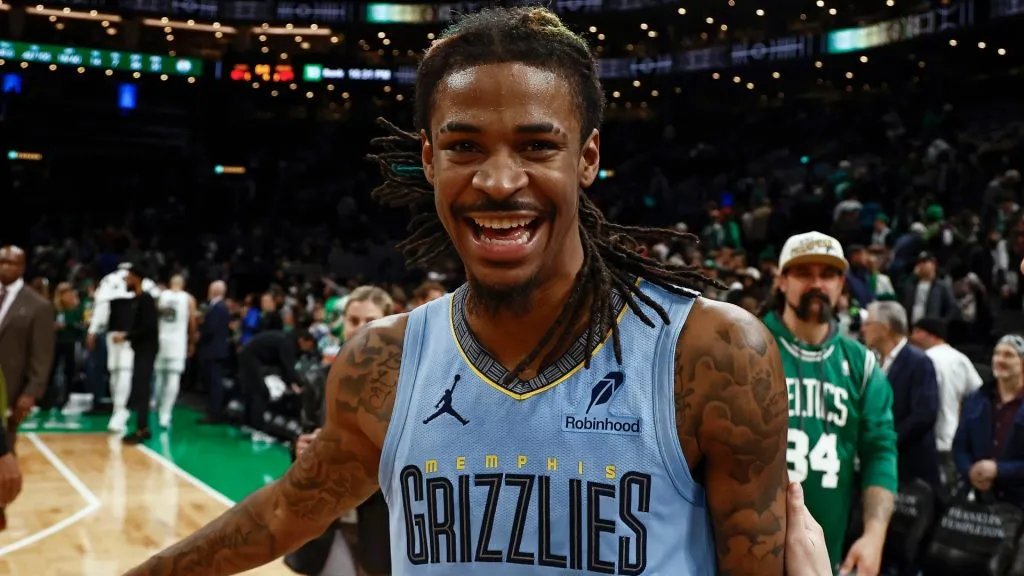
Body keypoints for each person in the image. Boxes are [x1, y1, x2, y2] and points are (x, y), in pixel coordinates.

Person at [123, 7, 790, 576]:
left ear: (586, 158)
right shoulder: (379, 364)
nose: (499, 181)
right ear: (429, 159)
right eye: (465, 146)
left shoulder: (711, 356)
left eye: (536, 146)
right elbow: (282, 513)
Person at [761, 231, 898, 575]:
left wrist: (874, 536)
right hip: (747, 546)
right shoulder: (750, 345)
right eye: (804, 273)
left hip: (825, 554)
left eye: (828, 275)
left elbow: (880, 452)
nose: (816, 284)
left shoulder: (863, 366)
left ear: (841, 285)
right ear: (781, 281)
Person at [861, 300, 940, 488]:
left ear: (884, 328)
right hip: (880, 464)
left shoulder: (919, 361)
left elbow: (925, 413)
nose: (863, 329)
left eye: (868, 324)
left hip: (910, 466)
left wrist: (887, 441)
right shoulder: (871, 361)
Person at [952, 334, 1024, 508]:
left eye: (1008, 355)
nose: (999, 359)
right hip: (979, 497)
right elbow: (960, 446)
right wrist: (970, 471)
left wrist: (998, 470)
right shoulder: (976, 398)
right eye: (996, 354)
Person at [87, 261, 159, 433]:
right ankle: (118, 410)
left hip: (127, 334)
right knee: (118, 371)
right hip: (121, 333)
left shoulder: (110, 281)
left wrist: (93, 330)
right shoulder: (146, 285)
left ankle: (121, 412)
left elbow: (102, 307)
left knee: (121, 371)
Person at [909, 317, 982, 485]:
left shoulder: (921, 359)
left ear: (929, 334)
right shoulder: (961, 358)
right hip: (953, 439)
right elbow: (977, 396)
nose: (912, 336)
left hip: (926, 442)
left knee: (923, 498)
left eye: (916, 331)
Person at [0, 245, 55, 449]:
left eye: (10, 263)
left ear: (22, 267)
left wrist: (31, 392)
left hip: (10, 389)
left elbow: (42, 354)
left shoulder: (38, 305)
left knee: (4, 453)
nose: (4, 267)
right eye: (1, 262)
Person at [113, 262, 160, 445]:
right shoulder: (139, 299)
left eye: (128, 276)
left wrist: (126, 336)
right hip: (142, 349)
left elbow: (148, 328)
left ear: (136, 278)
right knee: (140, 388)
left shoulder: (145, 299)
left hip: (146, 350)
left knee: (141, 388)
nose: (126, 279)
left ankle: (142, 429)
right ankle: (143, 427)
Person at [236, 329, 318, 431]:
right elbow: (288, 368)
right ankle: (256, 427)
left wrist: (291, 383)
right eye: (308, 346)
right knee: (260, 393)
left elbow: (283, 367)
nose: (307, 350)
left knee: (252, 391)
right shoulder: (287, 344)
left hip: (249, 356)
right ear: (302, 340)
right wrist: (301, 384)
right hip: (251, 358)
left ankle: (247, 422)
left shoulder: (286, 340)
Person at [154, 275, 196, 428]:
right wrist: (192, 342)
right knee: (173, 377)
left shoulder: (161, 296)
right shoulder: (188, 299)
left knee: (159, 377)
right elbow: (192, 322)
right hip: (178, 341)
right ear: (183, 284)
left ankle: (157, 406)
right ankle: (165, 414)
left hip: (161, 340)